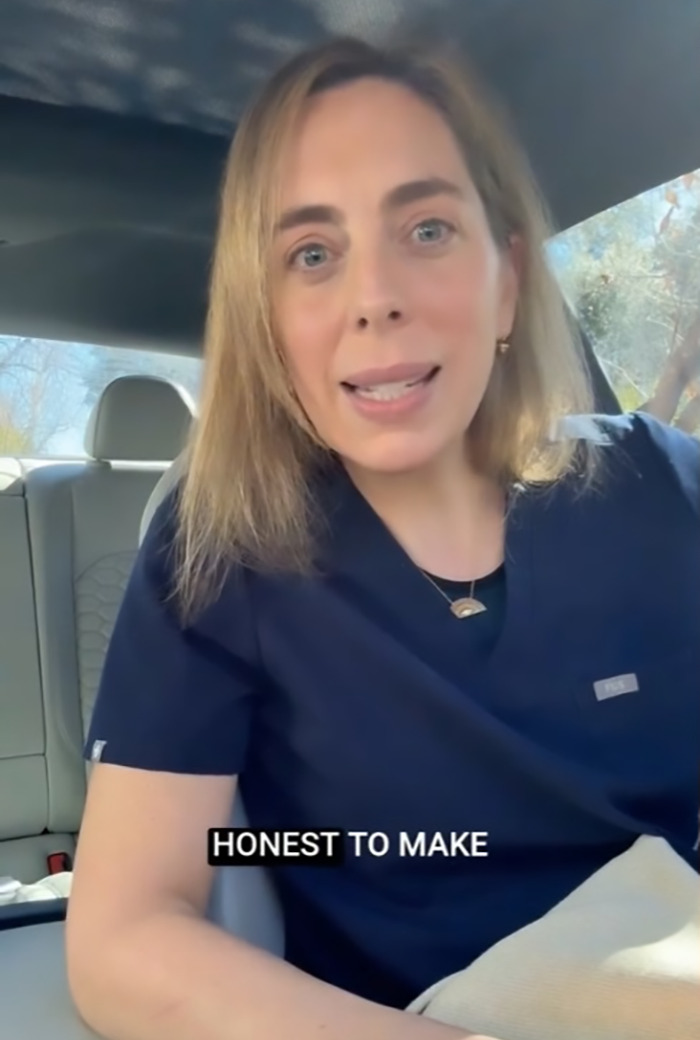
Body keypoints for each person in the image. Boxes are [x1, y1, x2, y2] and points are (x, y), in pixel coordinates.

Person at [65, 35, 700, 1040]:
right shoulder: (218, 554)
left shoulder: (660, 486)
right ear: (267, 322)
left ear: (507, 278)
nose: (374, 299)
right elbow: (126, 929)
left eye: (428, 228)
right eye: (312, 254)